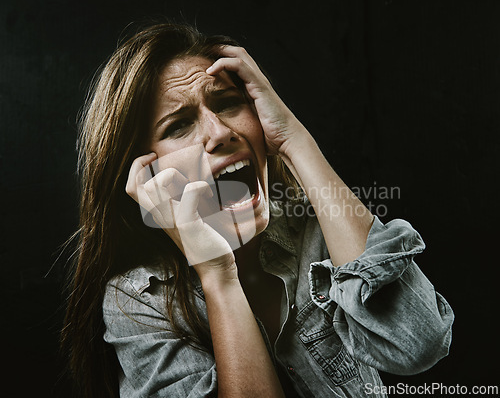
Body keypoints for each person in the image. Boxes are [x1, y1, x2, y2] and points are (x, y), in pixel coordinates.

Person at [62, 22, 454, 398]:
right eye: (179, 125)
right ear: (146, 177)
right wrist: (216, 274)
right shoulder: (138, 301)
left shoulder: (316, 228)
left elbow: (418, 345)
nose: (219, 133)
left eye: (229, 103)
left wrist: (293, 139)